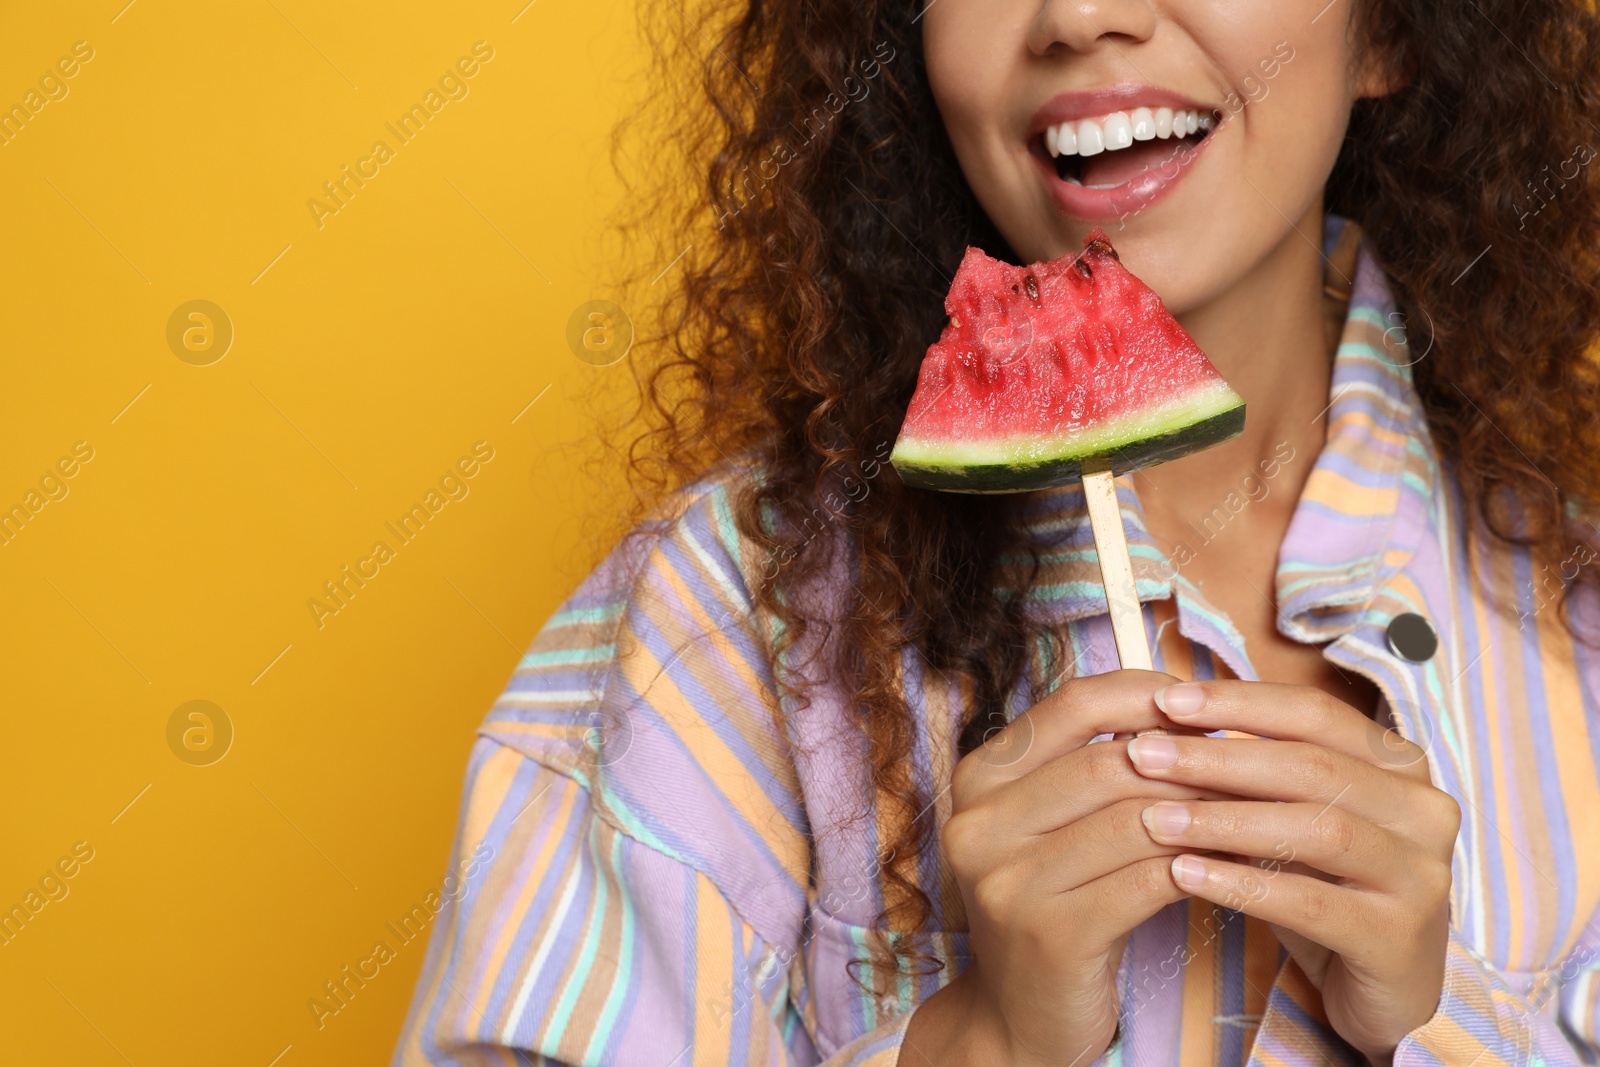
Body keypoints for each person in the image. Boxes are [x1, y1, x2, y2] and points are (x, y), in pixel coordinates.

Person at [393, 0, 1600, 1063]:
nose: (1077, 13)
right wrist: (975, 1044)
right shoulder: (721, 619)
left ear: (1388, 25)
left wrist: (1441, 1025)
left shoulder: (1580, 614)